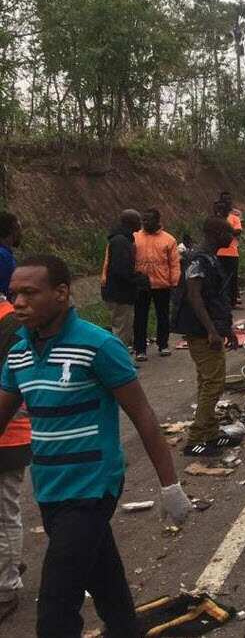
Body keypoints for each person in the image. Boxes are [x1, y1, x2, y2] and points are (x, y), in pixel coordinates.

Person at [0, 255, 193, 637]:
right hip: (50, 488)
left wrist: (170, 486)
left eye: (29, 293)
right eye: (13, 294)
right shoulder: (19, 353)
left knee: (56, 609)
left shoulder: (98, 346)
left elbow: (143, 417)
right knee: (106, 581)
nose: (18, 303)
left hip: (93, 486)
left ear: (61, 293)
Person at [173, 217, 241, 457]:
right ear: (214, 233)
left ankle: (212, 434)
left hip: (211, 328)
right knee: (212, 383)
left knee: (208, 381)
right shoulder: (199, 260)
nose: (231, 236)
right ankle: (195, 439)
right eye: (227, 232)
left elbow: (216, 298)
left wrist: (226, 329)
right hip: (201, 331)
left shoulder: (210, 258)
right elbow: (195, 297)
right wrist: (212, 330)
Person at [0, 293, 28, 625]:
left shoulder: (10, 324)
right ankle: (8, 564)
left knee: (4, 513)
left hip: (9, 431)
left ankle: (5, 589)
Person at [133, 208, 180, 361]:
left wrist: (174, 281)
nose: (145, 223)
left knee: (163, 316)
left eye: (148, 220)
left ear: (157, 221)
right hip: (141, 285)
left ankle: (163, 344)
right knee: (140, 317)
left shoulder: (169, 240)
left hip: (162, 284)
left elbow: (174, 263)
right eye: (143, 220)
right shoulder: (134, 237)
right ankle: (140, 349)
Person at [101, 209, 149, 349]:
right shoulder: (121, 241)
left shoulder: (122, 239)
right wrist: (138, 278)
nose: (140, 224)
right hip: (119, 292)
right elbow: (121, 269)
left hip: (120, 291)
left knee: (123, 327)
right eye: (138, 221)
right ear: (130, 222)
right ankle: (119, 361)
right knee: (121, 329)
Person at [214, 192, 242, 309]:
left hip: (232, 251)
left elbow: (238, 231)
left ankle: (233, 301)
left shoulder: (235, 217)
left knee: (232, 277)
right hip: (218, 252)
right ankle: (222, 301)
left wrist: (223, 232)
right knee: (219, 278)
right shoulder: (214, 219)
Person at [0, 213, 21, 298]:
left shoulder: (6, 255)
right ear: (13, 231)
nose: (21, 234)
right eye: (19, 229)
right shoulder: (2, 256)